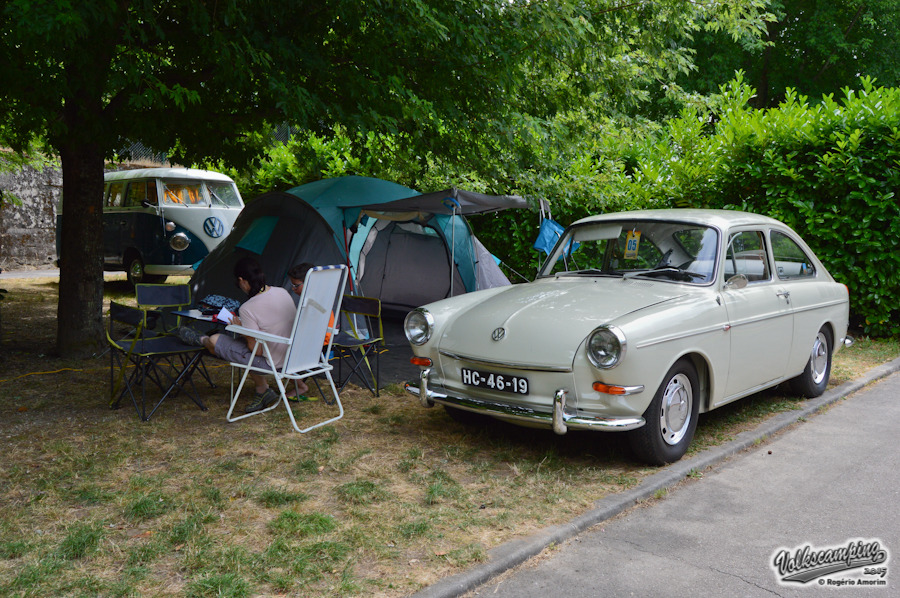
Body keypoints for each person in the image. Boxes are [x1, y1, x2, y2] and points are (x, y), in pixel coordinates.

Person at [178, 256, 296, 413]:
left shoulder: (248, 308)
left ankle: (201, 339)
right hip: (293, 355)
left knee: (215, 341)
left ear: (241, 280)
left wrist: (243, 331)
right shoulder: (282, 292)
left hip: (272, 364)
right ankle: (262, 389)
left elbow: (257, 351)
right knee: (242, 342)